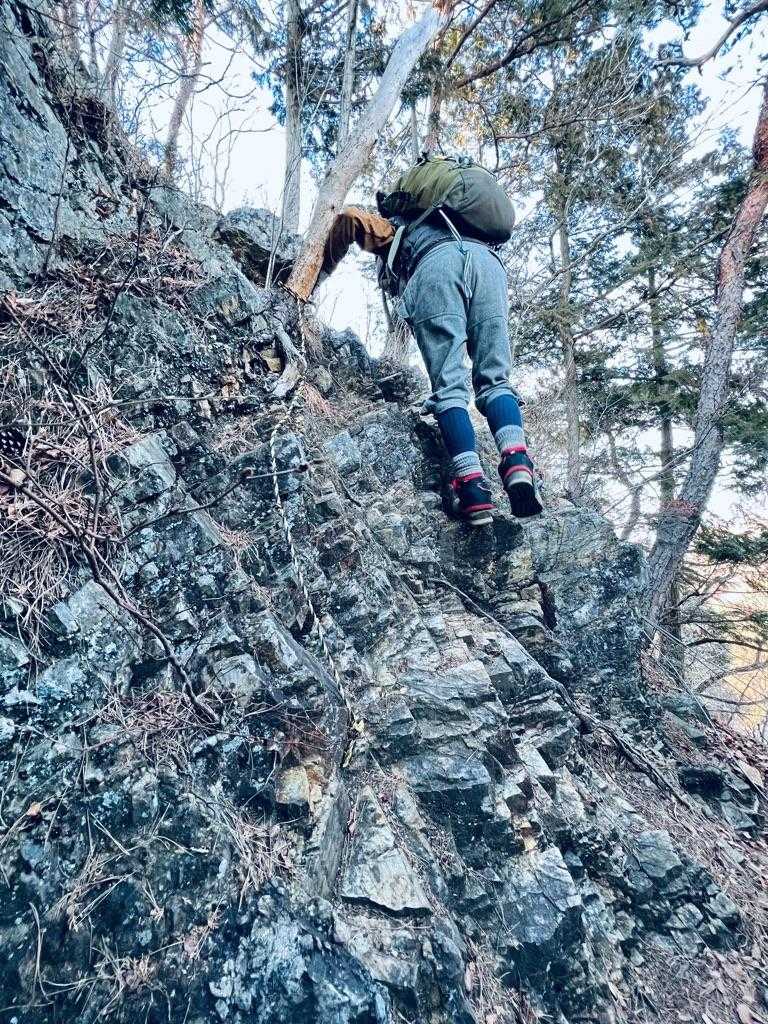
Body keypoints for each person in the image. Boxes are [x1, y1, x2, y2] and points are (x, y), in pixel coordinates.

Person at [319, 204, 543, 526]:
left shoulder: (398, 222)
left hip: (436, 269)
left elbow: (351, 219)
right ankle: (517, 461)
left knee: (450, 388)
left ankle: (472, 486)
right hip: (488, 266)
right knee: (495, 380)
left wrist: (318, 273)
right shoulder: (468, 214)